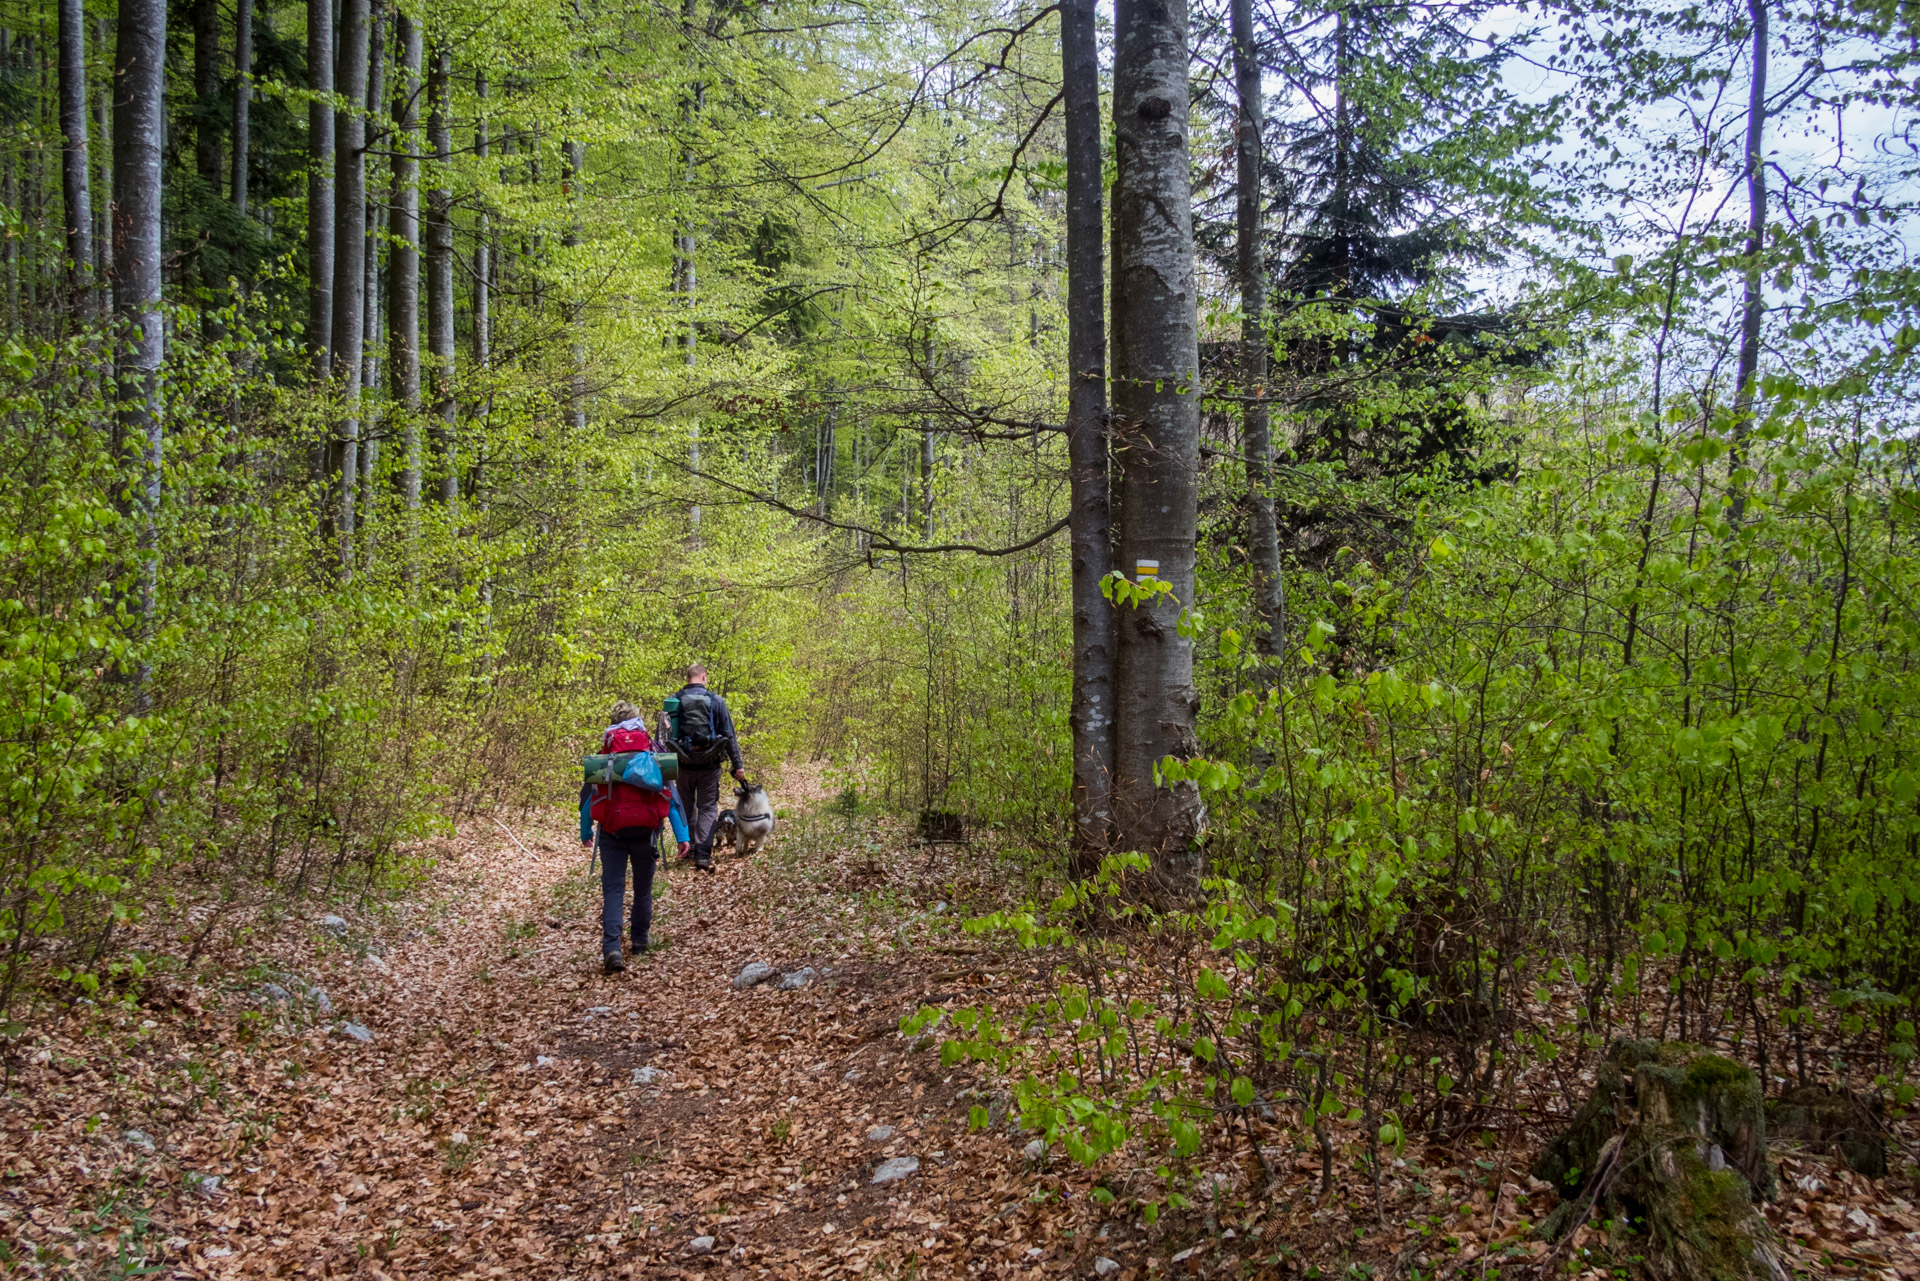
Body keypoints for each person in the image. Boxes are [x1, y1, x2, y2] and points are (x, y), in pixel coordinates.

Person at [580, 700, 689, 973]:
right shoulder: (652, 754)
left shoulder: (603, 759)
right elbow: (671, 798)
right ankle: (640, 940)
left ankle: (612, 949)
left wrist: (585, 831)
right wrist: (682, 836)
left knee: (613, 889)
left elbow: (588, 800)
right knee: (643, 887)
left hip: (612, 832)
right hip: (646, 832)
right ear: (638, 722)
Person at [667, 663, 747, 871]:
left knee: (685, 806)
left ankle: (689, 849)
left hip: (683, 765)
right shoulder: (716, 701)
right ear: (704, 677)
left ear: (688, 678)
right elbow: (729, 735)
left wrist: (664, 769)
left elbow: (664, 737)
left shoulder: (674, 701)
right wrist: (737, 766)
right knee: (708, 808)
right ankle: (703, 855)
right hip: (709, 765)